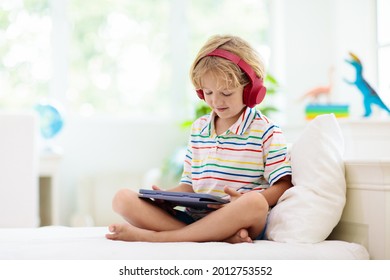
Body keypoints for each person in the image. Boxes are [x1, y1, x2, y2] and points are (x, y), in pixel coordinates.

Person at [106, 35, 292, 243]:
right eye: (208, 92)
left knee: (255, 203)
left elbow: (284, 184)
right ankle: (218, 237)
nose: (215, 101)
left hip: (239, 218)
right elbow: (189, 185)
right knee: (122, 199)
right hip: (195, 218)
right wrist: (165, 198)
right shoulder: (199, 128)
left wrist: (242, 200)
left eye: (226, 93)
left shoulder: (266, 130)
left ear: (251, 90)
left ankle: (163, 238)